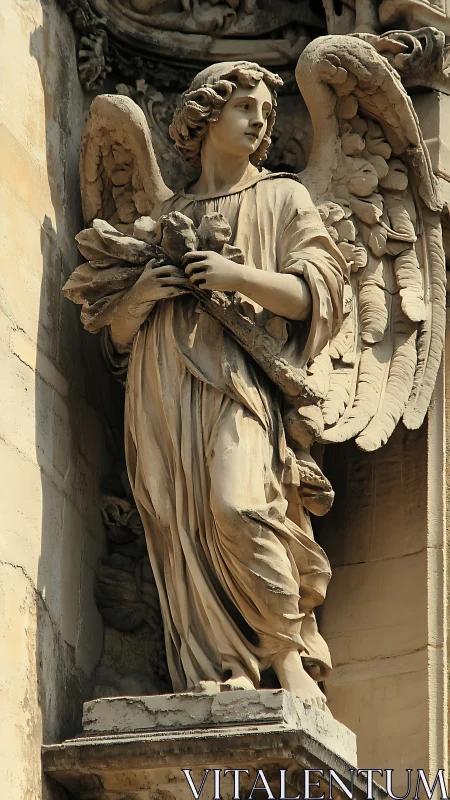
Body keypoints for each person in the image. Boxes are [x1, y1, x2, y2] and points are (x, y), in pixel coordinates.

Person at [109, 61, 346, 709]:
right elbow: (118, 336)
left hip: (239, 379)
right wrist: (138, 299)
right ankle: (216, 667)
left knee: (237, 505)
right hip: (161, 383)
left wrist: (237, 278)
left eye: (266, 114)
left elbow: (317, 293)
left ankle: (285, 656)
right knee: (175, 518)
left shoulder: (282, 197)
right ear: (205, 115)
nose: (258, 122)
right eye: (245, 107)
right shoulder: (166, 215)